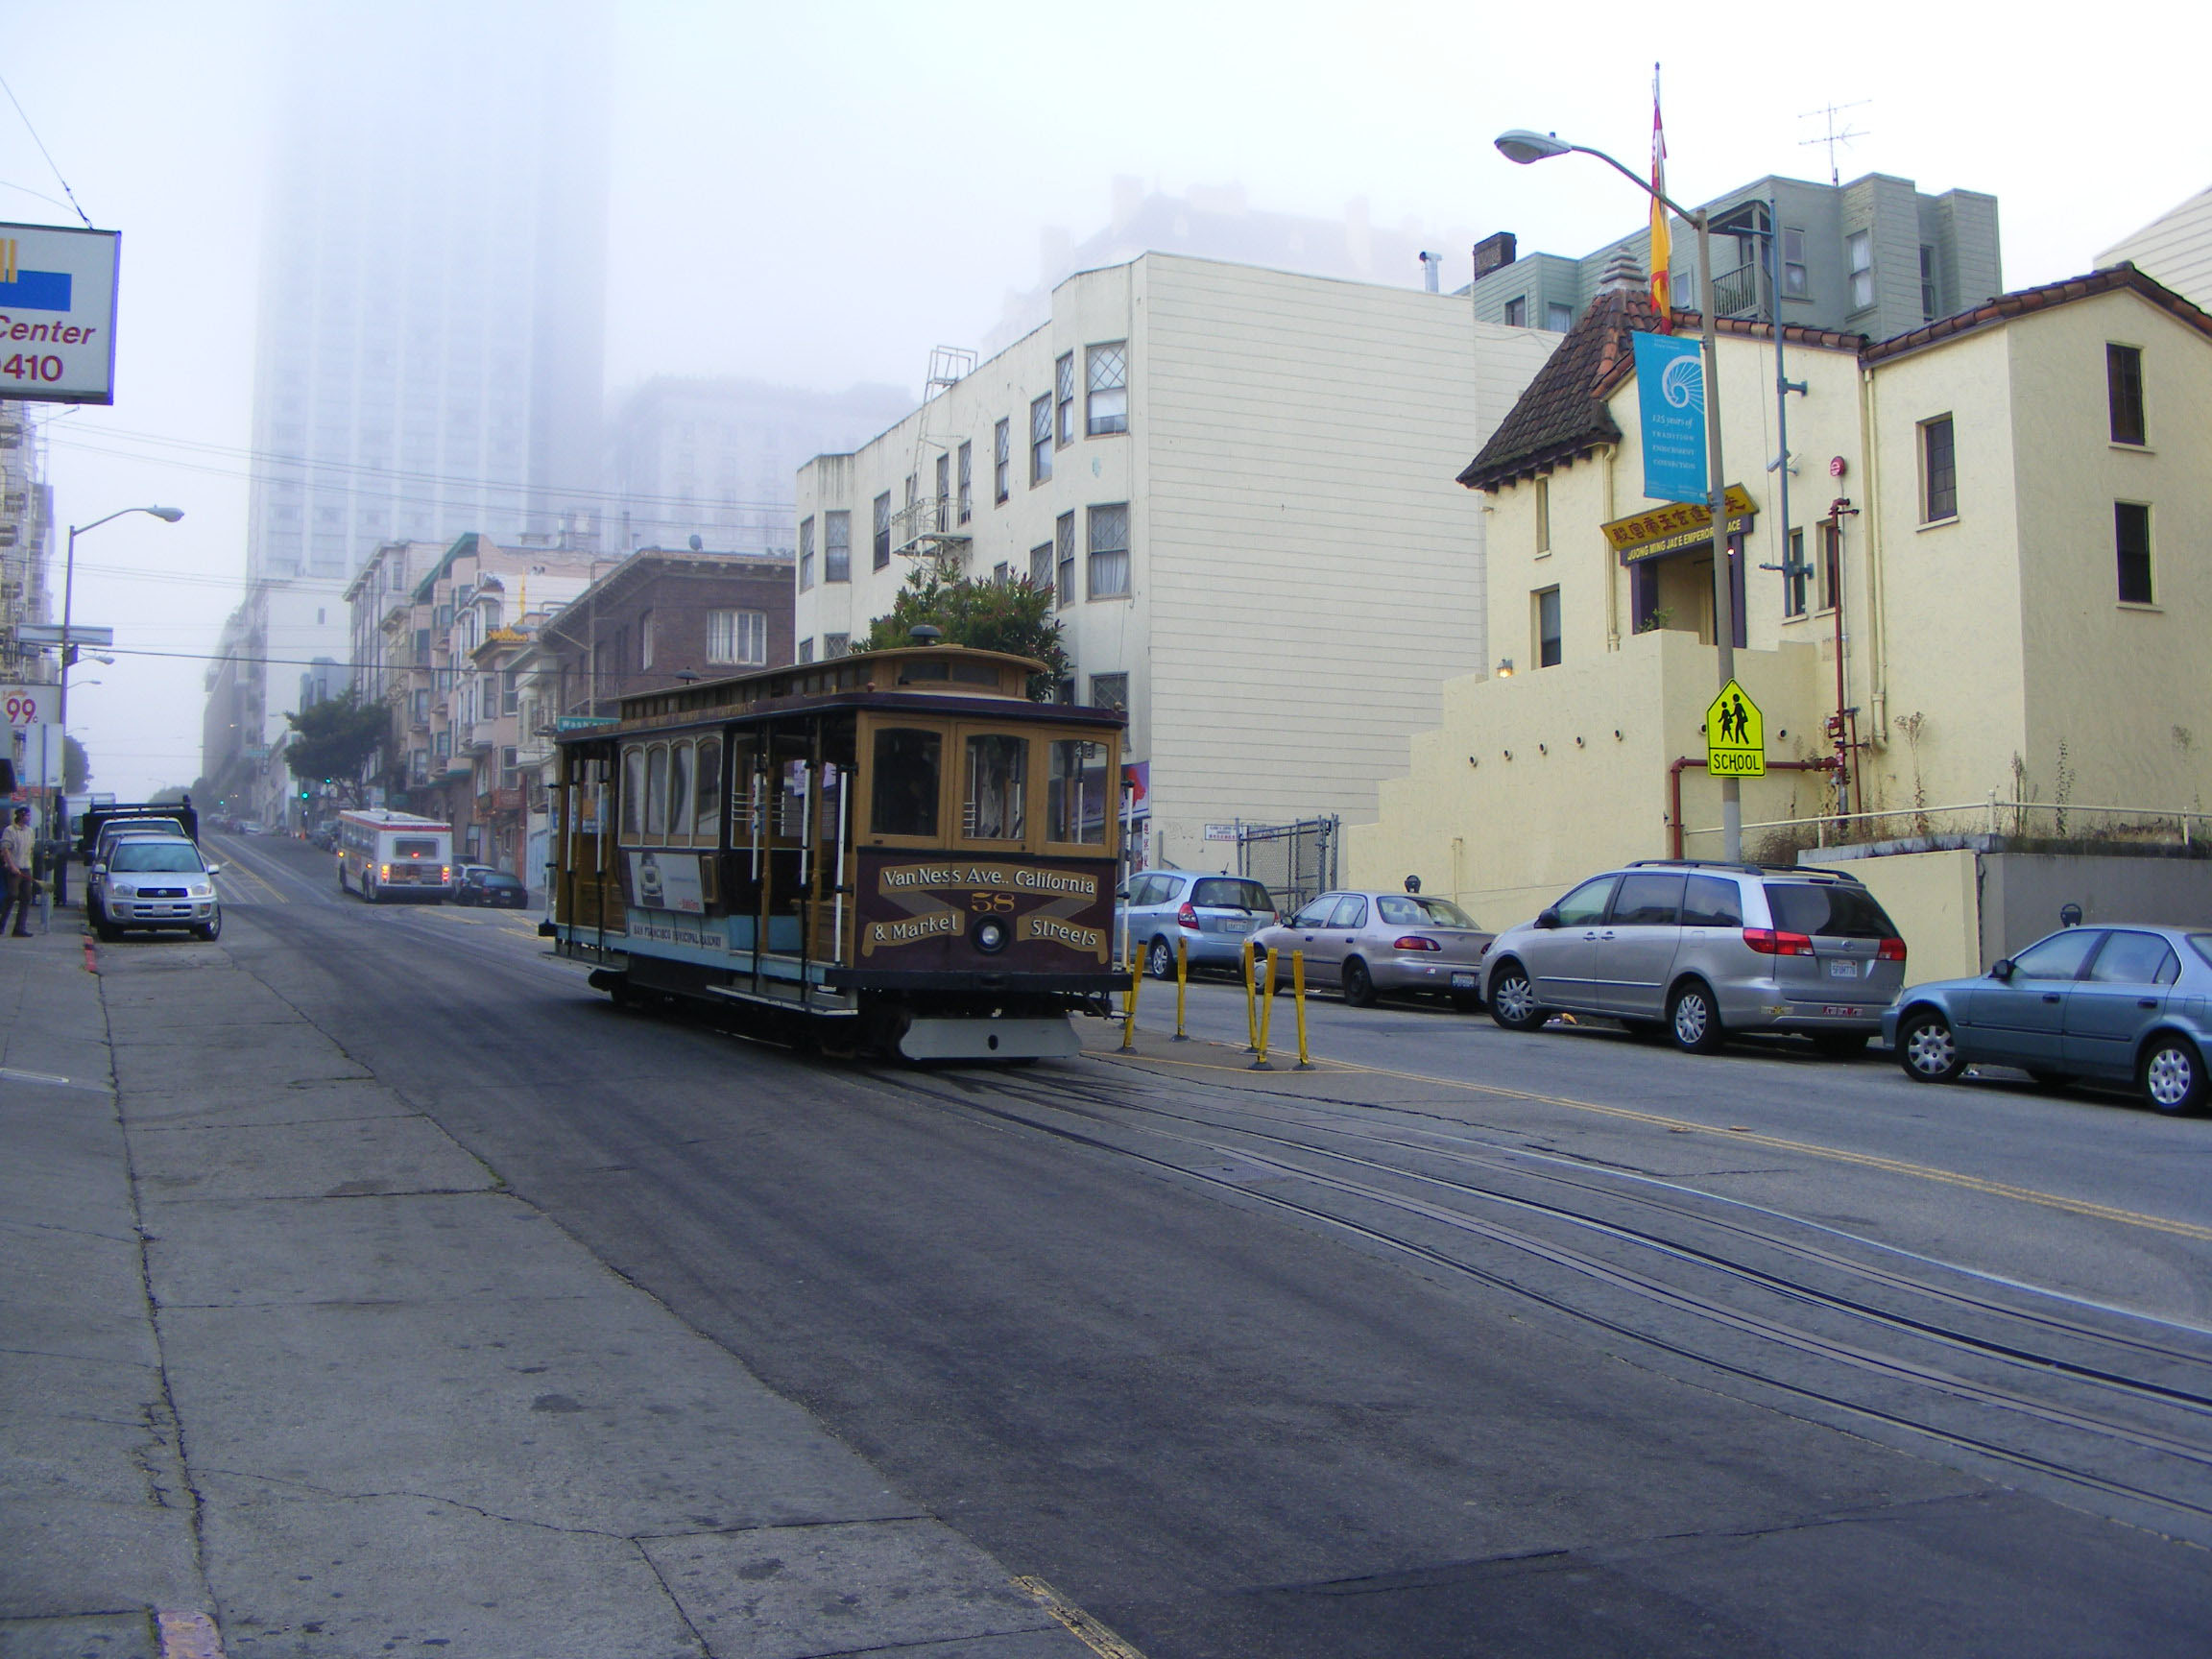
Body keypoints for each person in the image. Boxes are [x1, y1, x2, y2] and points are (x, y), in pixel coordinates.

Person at [0, 806, 36, 936]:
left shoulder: (30, 831)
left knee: (26, 897)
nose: (29, 818)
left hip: (26, 868)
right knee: (12, 895)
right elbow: (5, 849)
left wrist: (29, 865)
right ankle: (1, 925)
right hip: (14, 868)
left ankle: (19, 928)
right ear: (21, 816)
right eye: (27, 815)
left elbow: (30, 849)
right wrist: (12, 866)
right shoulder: (10, 830)